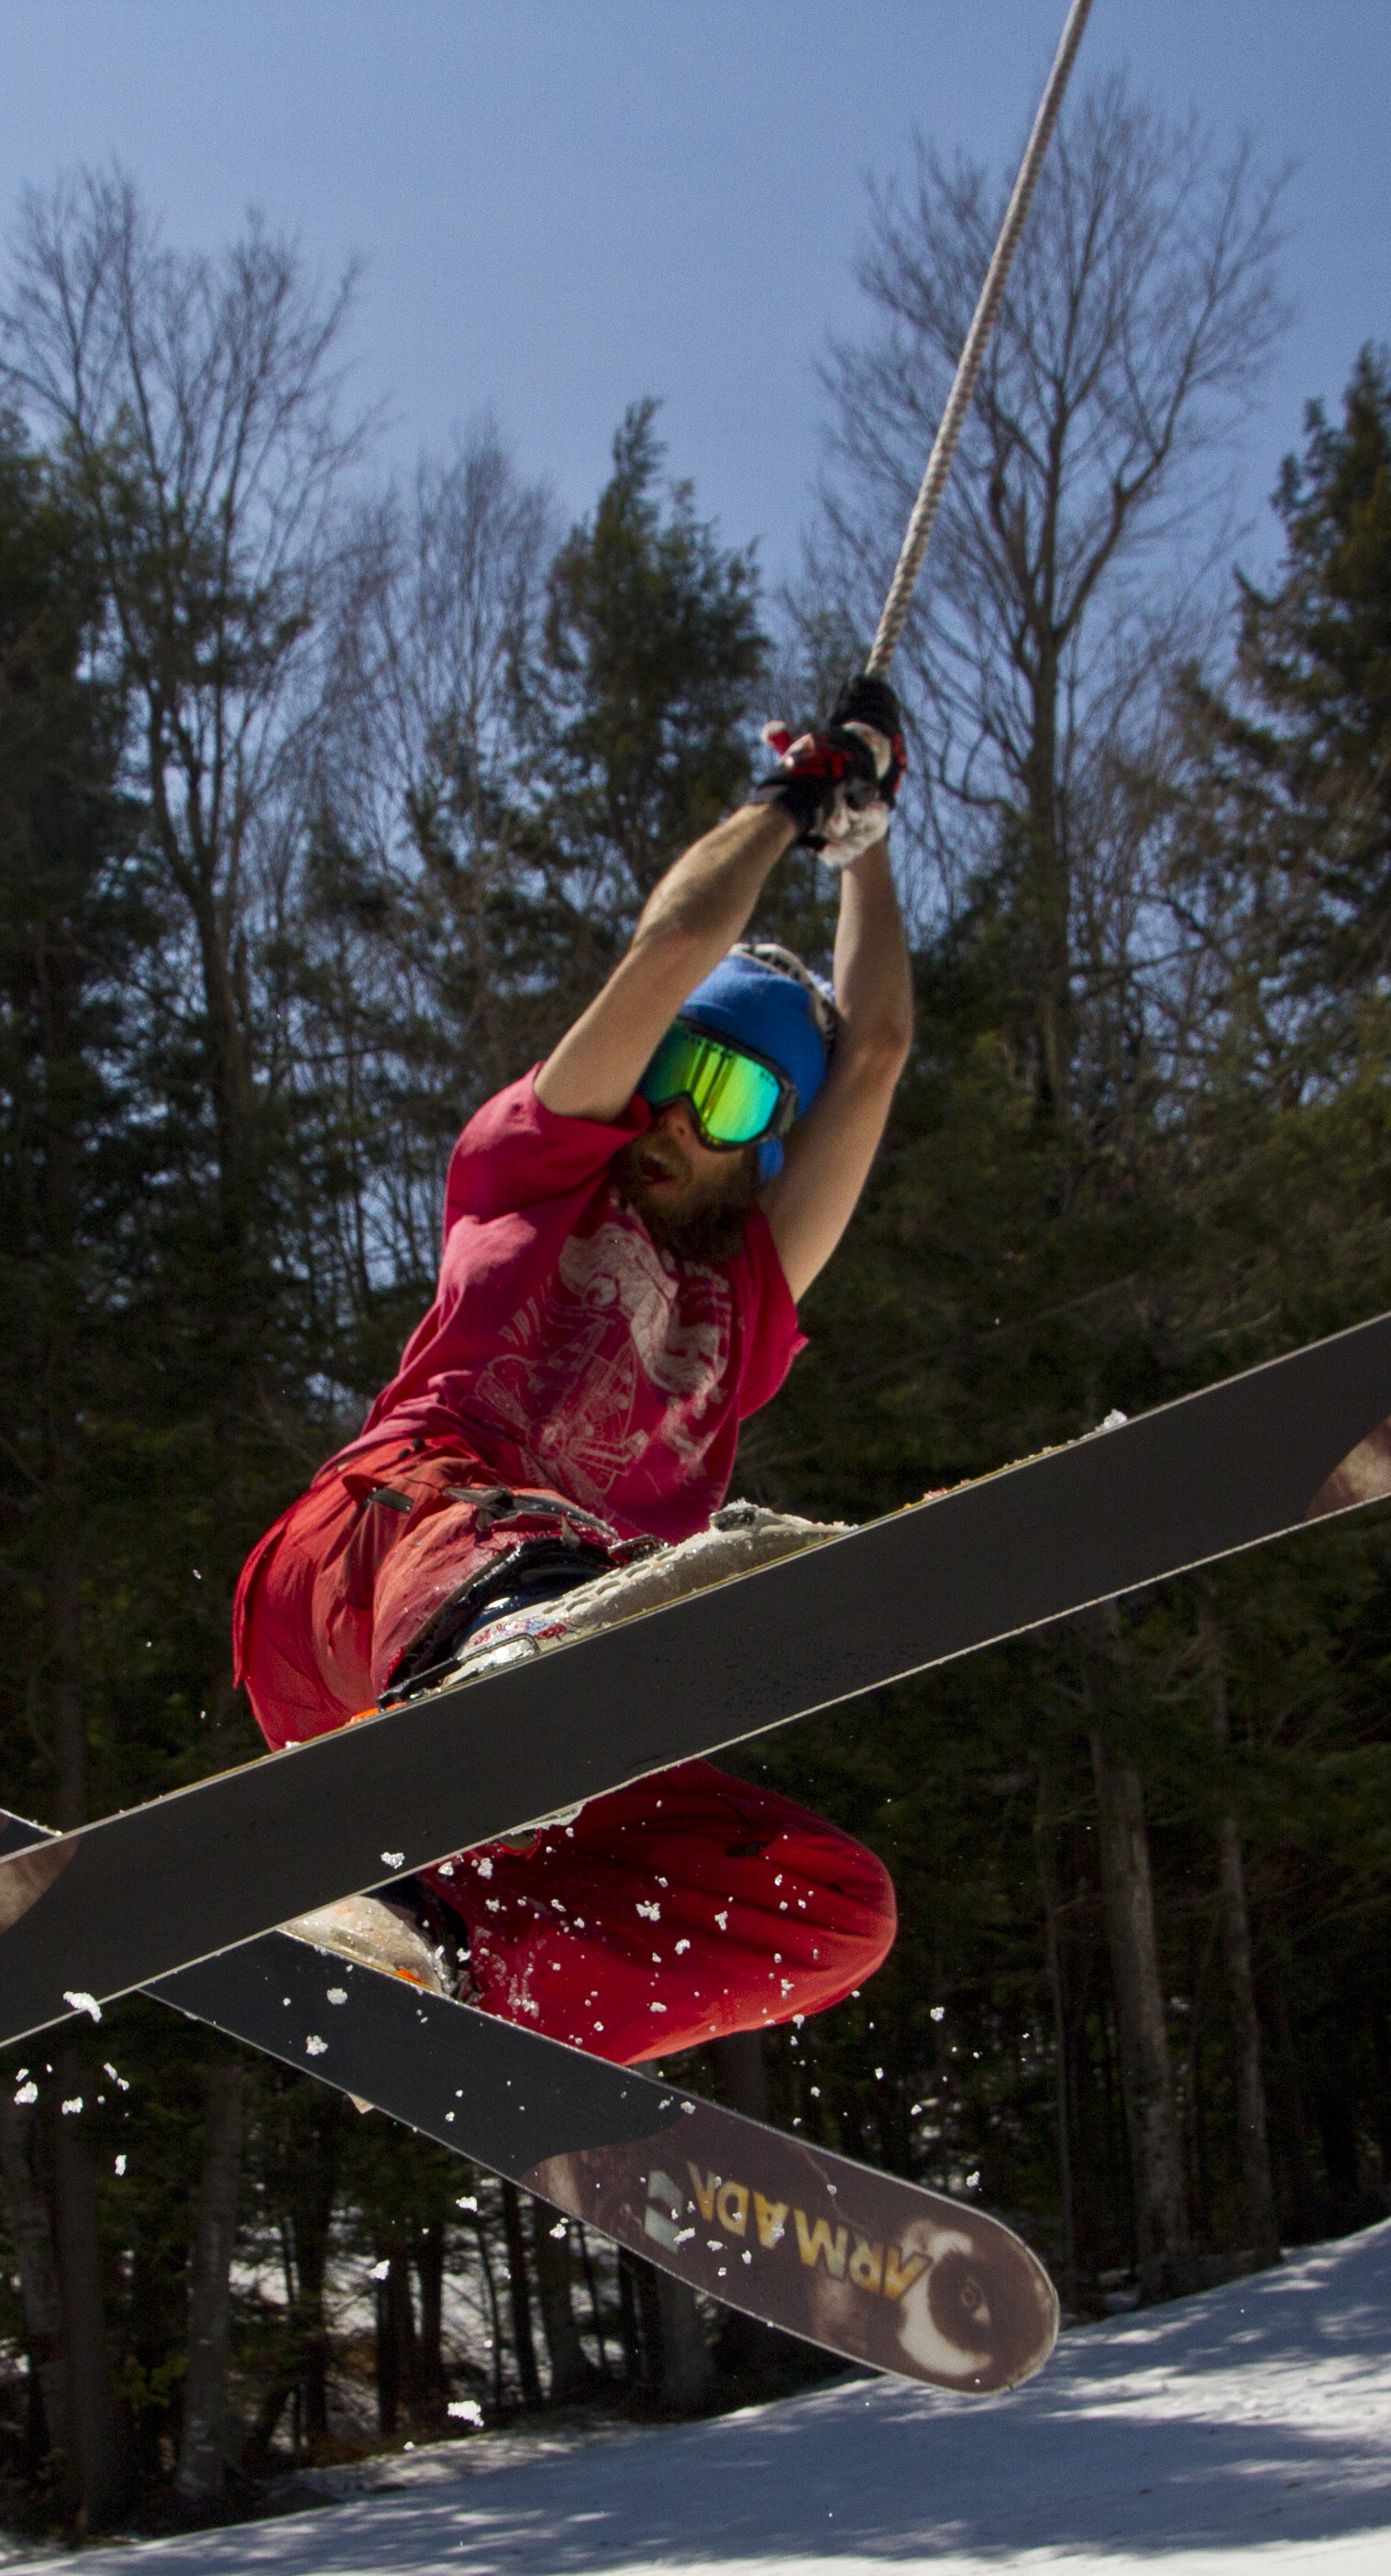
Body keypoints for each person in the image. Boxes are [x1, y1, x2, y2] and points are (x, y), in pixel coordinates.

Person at [228, 676, 915, 2068]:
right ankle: (495, 1688)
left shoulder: (752, 1296)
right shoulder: (534, 1165)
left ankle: (444, 1953)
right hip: (373, 1563)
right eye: (673, 1066)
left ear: (771, 1142)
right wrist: (791, 805)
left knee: (837, 1910)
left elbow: (881, 1049)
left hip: (549, 1707)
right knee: (537, 1570)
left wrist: (871, 849)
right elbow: (674, 942)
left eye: (730, 1096)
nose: (676, 1117)